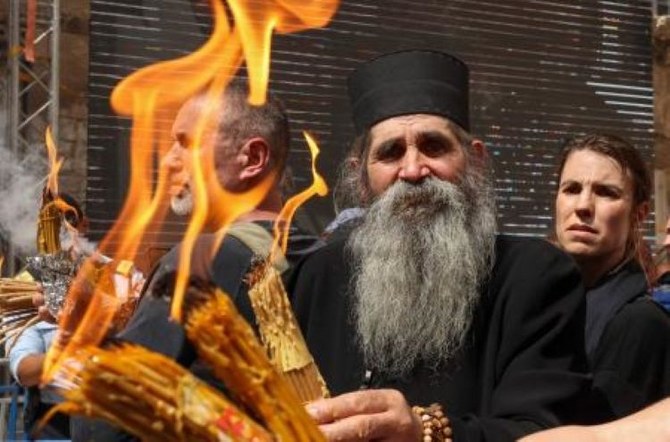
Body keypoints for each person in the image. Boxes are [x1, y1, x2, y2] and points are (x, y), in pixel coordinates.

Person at [288, 49, 595, 442]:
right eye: (390, 152)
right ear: (360, 178)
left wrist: (425, 432)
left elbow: (549, 431)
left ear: (476, 161)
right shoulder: (314, 279)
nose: (413, 171)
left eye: (434, 146)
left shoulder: (536, 276)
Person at [71, 80, 321, 440]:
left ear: (251, 158)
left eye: (186, 142)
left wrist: (87, 329)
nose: (170, 160)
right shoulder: (316, 254)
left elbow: (104, 422)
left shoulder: (201, 259)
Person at [553, 134, 670, 419]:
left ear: (638, 215)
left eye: (606, 192)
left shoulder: (640, 322)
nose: (582, 206)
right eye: (571, 189)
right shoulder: (540, 300)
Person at [7, 192, 88, 440]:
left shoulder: (112, 273)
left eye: (69, 220)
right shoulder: (23, 290)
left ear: (83, 226)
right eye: (53, 222)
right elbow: (24, 370)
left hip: (117, 415)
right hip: (55, 424)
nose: (63, 230)